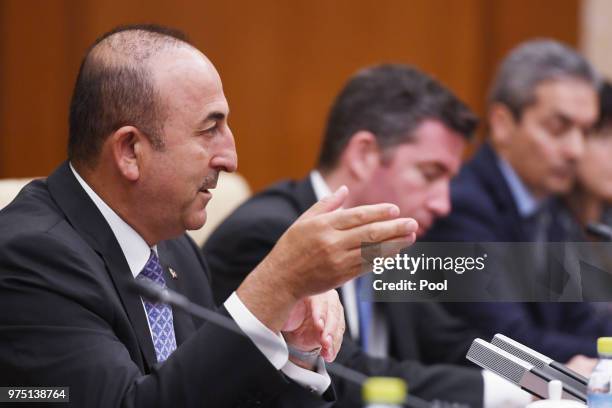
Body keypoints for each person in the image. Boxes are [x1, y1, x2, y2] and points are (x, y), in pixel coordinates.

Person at [0, 25, 419, 407]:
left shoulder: (175, 251)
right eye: (209, 129)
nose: (231, 158)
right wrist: (276, 285)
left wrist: (297, 354)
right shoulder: (30, 257)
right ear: (130, 151)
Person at [204, 64, 534, 407]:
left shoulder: (389, 242)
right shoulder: (271, 237)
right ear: (363, 155)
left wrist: (538, 376)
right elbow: (341, 375)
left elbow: (451, 342)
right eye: (430, 173)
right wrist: (502, 394)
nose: (444, 204)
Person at [423, 39, 611, 363]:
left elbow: (583, 320)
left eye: (586, 131)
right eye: (558, 128)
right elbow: (504, 344)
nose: (575, 150)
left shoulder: (550, 208)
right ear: (502, 125)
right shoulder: (462, 207)